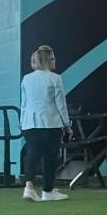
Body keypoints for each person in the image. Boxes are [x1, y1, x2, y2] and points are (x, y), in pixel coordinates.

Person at [19, 45, 71, 202]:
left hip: (30, 122)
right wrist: (67, 125)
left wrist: (22, 122)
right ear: (48, 60)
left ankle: (29, 187)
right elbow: (60, 104)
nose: (55, 61)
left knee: (32, 156)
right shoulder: (56, 78)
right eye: (53, 58)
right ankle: (47, 191)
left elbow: (24, 103)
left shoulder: (26, 79)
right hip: (50, 122)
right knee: (50, 157)